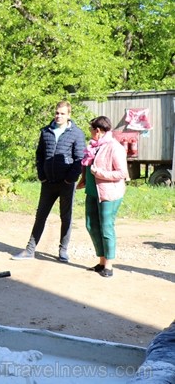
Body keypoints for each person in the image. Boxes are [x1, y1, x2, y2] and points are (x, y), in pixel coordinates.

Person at [12, 101, 86, 262]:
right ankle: (30, 250)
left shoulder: (77, 133)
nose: (59, 116)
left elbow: (80, 159)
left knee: (66, 217)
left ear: (69, 115)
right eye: (57, 113)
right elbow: (39, 155)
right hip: (48, 183)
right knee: (40, 216)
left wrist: (70, 179)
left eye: (62, 113)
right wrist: (42, 175)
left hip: (66, 184)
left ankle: (63, 250)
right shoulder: (46, 131)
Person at [77, 116, 128, 278]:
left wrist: (99, 173)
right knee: (91, 225)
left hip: (109, 193)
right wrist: (84, 179)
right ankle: (101, 261)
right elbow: (87, 164)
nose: (89, 132)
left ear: (98, 131)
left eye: (91, 129)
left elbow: (122, 173)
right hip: (92, 191)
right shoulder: (93, 146)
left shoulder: (114, 147)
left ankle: (109, 265)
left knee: (106, 227)